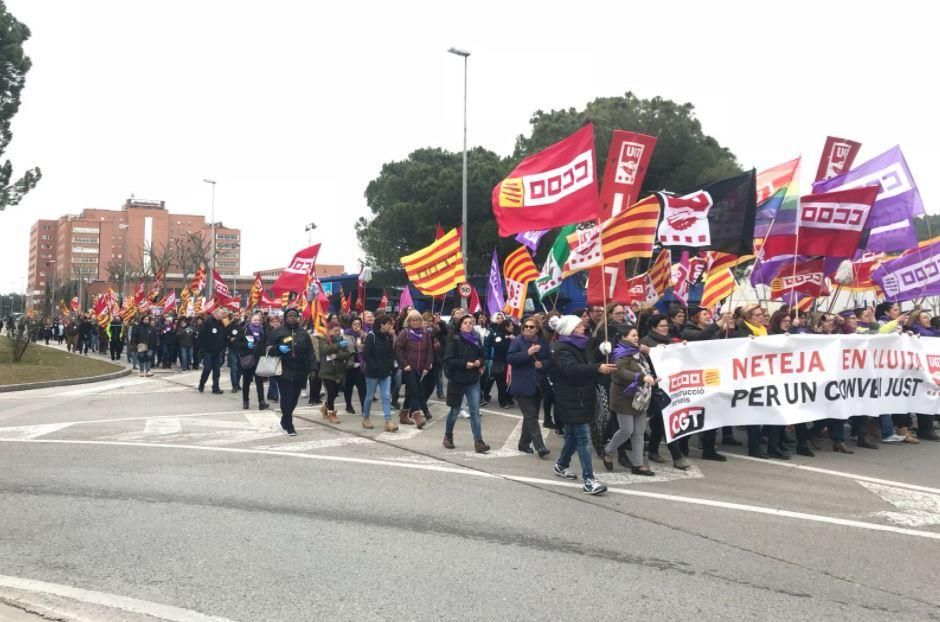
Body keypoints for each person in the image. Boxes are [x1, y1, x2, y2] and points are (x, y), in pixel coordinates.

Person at [549, 315, 616, 495]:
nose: (583, 326)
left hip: (583, 397)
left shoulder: (581, 343)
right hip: (570, 399)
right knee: (584, 439)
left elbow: (587, 361)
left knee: (572, 436)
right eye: (578, 325)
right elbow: (571, 370)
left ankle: (561, 465)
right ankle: (589, 480)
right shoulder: (562, 349)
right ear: (570, 329)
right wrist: (597, 368)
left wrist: (601, 351)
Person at [604, 326, 656, 475]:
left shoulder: (638, 352)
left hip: (640, 396)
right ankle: (608, 450)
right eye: (633, 335)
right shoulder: (620, 354)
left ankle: (638, 465)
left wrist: (651, 377)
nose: (636, 337)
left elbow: (645, 369)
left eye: (637, 335)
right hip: (623, 397)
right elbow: (620, 372)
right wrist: (641, 377)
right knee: (626, 430)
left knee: (639, 432)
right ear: (623, 337)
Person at [442, 314, 490, 453]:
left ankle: (478, 442)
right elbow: (448, 360)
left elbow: (482, 354)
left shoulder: (476, 339)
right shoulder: (454, 339)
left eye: (471, 322)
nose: (469, 325)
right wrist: (465, 364)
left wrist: (479, 362)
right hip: (457, 380)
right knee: (455, 411)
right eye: (465, 323)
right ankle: (448, 436)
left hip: (472, 379)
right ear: (460, 325)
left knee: (475, 411)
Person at [264, 307, 315, 435]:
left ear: (298, 318)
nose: (292, 317)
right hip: (283, 369)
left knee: (294, 398)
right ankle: (289, 423)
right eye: (290, 315)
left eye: (294, 315)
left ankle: (284, 419)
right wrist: (278, 348)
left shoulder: (303, 333)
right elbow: (267, 349)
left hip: (300, 369)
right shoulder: (277, 331)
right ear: (285, 318)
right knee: (286, 396)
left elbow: (310, 352)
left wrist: (313, 367)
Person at [507, 316, 551, 458]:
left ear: (537, 329)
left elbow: (549, 360)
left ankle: (523, 443)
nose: (527, 329)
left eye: (531, 327)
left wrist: (542, 364)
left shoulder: (543, 342)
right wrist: (528, 353)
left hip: (537, 384)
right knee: (531, 416)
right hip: (522, 384)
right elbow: (511, 359)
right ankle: (540, 446)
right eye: (525, 326)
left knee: (530, 416)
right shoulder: (517, 341)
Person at [393, 310, 434, 429]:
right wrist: (404, 364)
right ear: (408, 321)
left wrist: (427, 366)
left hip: (421, 368)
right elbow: (397, 348)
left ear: (421, 321)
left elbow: (429, 351)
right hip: (408, 368)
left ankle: (403, 415)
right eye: (412, 319)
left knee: (412, 392)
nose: (415, 322)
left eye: (417, 319)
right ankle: (417, 416)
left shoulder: (425, 333)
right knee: (414, 391)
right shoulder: (405, 333)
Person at [362, 314, 398, 432]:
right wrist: (375, 367)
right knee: (370, 396)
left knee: (386, 396)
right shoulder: (371, 336)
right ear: (382, 324)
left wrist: (390, 365)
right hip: (372, 373)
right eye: (388, 324)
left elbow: (391, 353)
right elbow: (366, 354)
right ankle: (366, 417)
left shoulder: (388, 337)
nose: (390, 326)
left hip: (385, 372)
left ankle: (388, 421)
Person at [234, 312, 269, 411]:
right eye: (255, 320)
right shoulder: (245, 330)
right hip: (248, 360)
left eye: (258, 320)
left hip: (259, 360)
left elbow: (266, 343)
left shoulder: (263, 330)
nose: (256, 322)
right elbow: (236, 343)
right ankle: (245, 401)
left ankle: (261, 402)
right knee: (246, 382)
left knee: (259, 382)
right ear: (250, 320)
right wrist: (246, 346)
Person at [317, 322, 351, 424]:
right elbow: (325, 350)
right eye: (335, 330)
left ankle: (325, 406)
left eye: (338, 331)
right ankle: (332, 413)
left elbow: (347, 353)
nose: (337, 333)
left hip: (339, 371)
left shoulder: (341, 340)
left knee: (336, 392)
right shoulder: (323, 339)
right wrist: (338, 346)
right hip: (327, 371)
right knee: (331, 392)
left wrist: (337, 355)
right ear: (329, 330)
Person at [197, 308, 227, 394]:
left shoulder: (222, 323)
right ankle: (202, 383)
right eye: (221, 313)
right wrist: (203, 348)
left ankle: (215, 387)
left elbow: (226, 333)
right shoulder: (208, 322)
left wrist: (223, 346)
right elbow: (201, 336)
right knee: (207, 368)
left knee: (217, 370)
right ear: (216, 314)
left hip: (218, 351)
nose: (222, 315)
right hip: (208, 351)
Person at [342, 317, 367, 414]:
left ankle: (363, 407)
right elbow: (348, 348)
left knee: (362, 387)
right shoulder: (345, 335)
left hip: (361, 365)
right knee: (349, 387)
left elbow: (367, 346)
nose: (357, 326)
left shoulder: (363, 334)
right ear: (350, 325)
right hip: (350, 364)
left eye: (359, 324)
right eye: (355, 324)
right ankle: (348, 405)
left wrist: (364, 337)